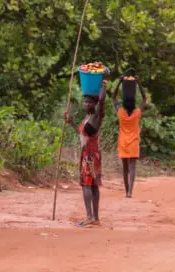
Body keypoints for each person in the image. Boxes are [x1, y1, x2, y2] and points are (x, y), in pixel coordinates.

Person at [64, 76, 109, 227]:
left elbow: (102, 100)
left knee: (87, 184)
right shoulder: (87, 117)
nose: (87, 103)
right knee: (93, 185)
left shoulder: (97, 116)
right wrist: (70, 122)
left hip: (91, 155)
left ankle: (91, 217)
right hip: (87, 154)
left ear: (95, 103)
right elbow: (81, 133)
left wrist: (104, 82)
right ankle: (94, 218)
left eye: (90, 101)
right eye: (86, 101)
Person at [112, 76, 147, 198]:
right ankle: (130, 192)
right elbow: (144, 99)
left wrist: (120, 82)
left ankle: (126, 190)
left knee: (125, 169)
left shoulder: (120, 112)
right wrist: (138, 83)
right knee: (132, 169)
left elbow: (113, 98)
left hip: (123, 143)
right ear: (133, 104)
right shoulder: (137, 113)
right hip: (134, 143)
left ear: (124, 104)